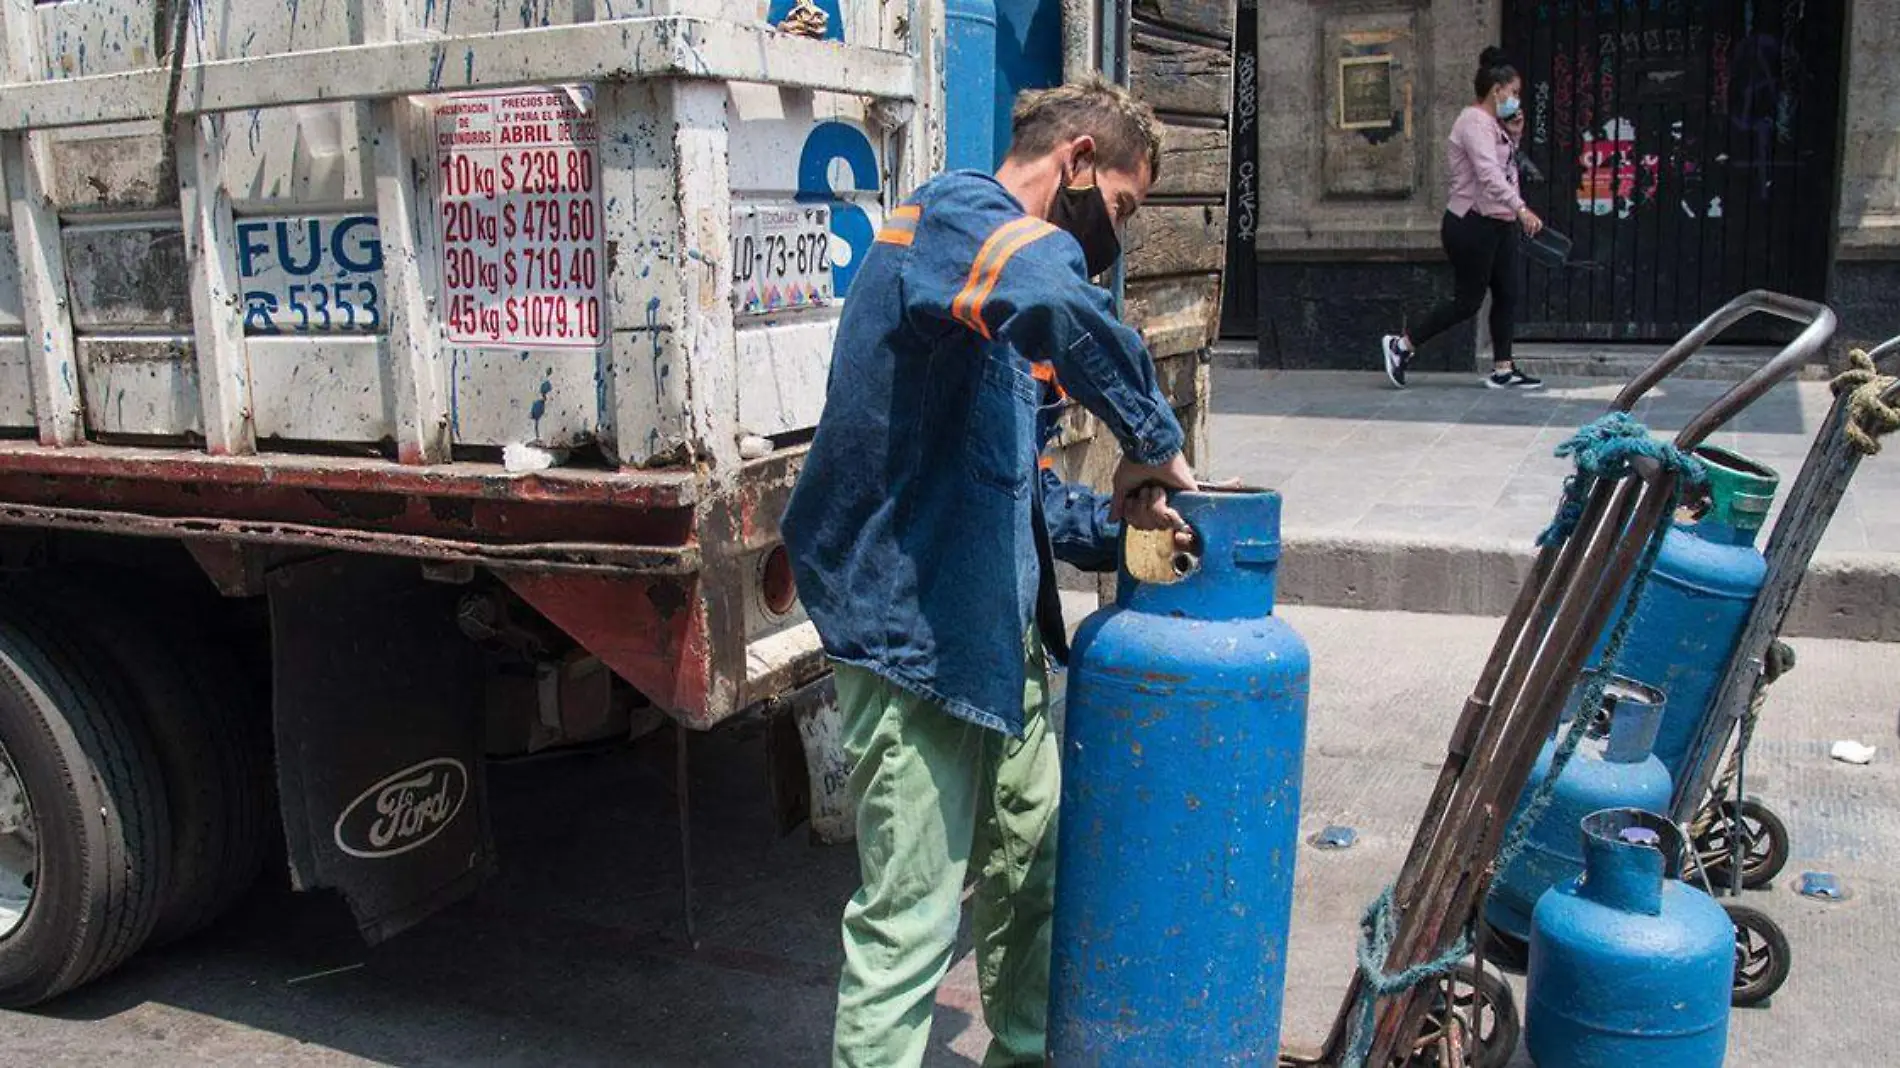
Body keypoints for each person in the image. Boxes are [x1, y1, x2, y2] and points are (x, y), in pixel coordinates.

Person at [780, 77, 1196, 1068]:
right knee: (913, 920)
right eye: (1123, 209)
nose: (1115, 239)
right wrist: (1153, 439)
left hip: (989, 631)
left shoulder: (995, 291)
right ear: (1079, 160)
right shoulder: (954, 219)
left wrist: (1130, 527)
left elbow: (1026, 491)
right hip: (907, 629)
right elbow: (1060, 292)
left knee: (1030, 870)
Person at [1382, 46, 1545, 390]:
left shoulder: (1493, 124)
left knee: (1507, 293)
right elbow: (1488, 174)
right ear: (1496, 89)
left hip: (1498, 224)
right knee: (1467, 302)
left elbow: (1504, 168)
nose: (1516, 99)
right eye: (1513, 92)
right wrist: (1522, 208)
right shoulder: (1473, 122)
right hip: (1471, 225)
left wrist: (1514, 134)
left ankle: (1503, 368)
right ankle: (1401, 346)